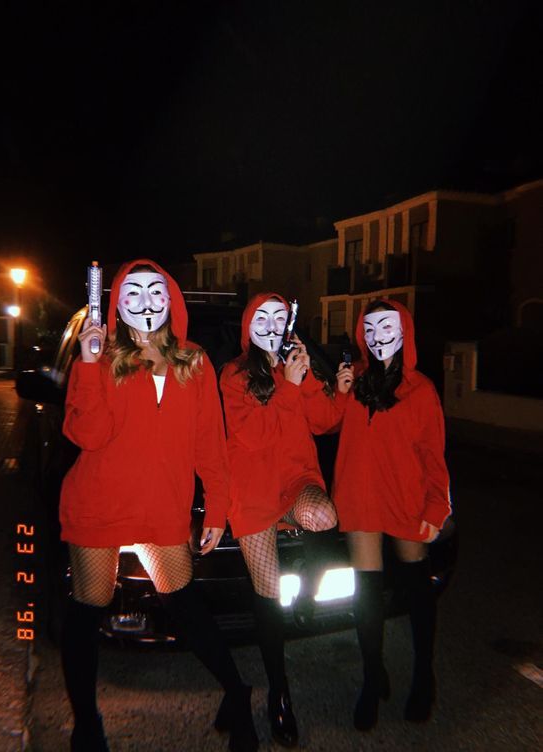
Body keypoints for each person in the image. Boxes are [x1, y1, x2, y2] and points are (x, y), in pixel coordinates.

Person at [59, 259, 258, 752]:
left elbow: (210, 445)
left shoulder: (195, 360)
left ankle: (238, 693)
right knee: (88, 611)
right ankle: (87, 725)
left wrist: (216, 509)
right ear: (117, 304)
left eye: (156, 292)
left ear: (171, 300)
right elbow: (87, 433)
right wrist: (86, 363)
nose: (146, 303)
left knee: (186, 606)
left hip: (162, 507)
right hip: (99, 501)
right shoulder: (102, 359)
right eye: (134, 292)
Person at [219, 292, 343, 748]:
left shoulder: (295, 364)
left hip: (294, 482)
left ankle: (309, 590)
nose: (270, 325)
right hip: (252, 489)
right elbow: (250, 436)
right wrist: (288, 384)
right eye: (261, 318)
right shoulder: (233, 373)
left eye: (278, 317)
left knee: (324, 515)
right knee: (267, 594)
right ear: (248, 327)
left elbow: (324, 421)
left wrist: (326, 383)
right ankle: (279, 691)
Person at [333, 299, 452, 731]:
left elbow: (434, 457)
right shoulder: (355, 382)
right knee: (366, 593)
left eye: (387, 327)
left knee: (415, 585)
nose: (378, 335)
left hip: (405, 497)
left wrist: (437, 506)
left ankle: (424, 674)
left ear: (404, 333)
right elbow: (323, 422)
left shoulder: (420, 390)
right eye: (369, 328)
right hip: (359, 497)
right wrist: (337, 391)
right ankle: (371, 675)